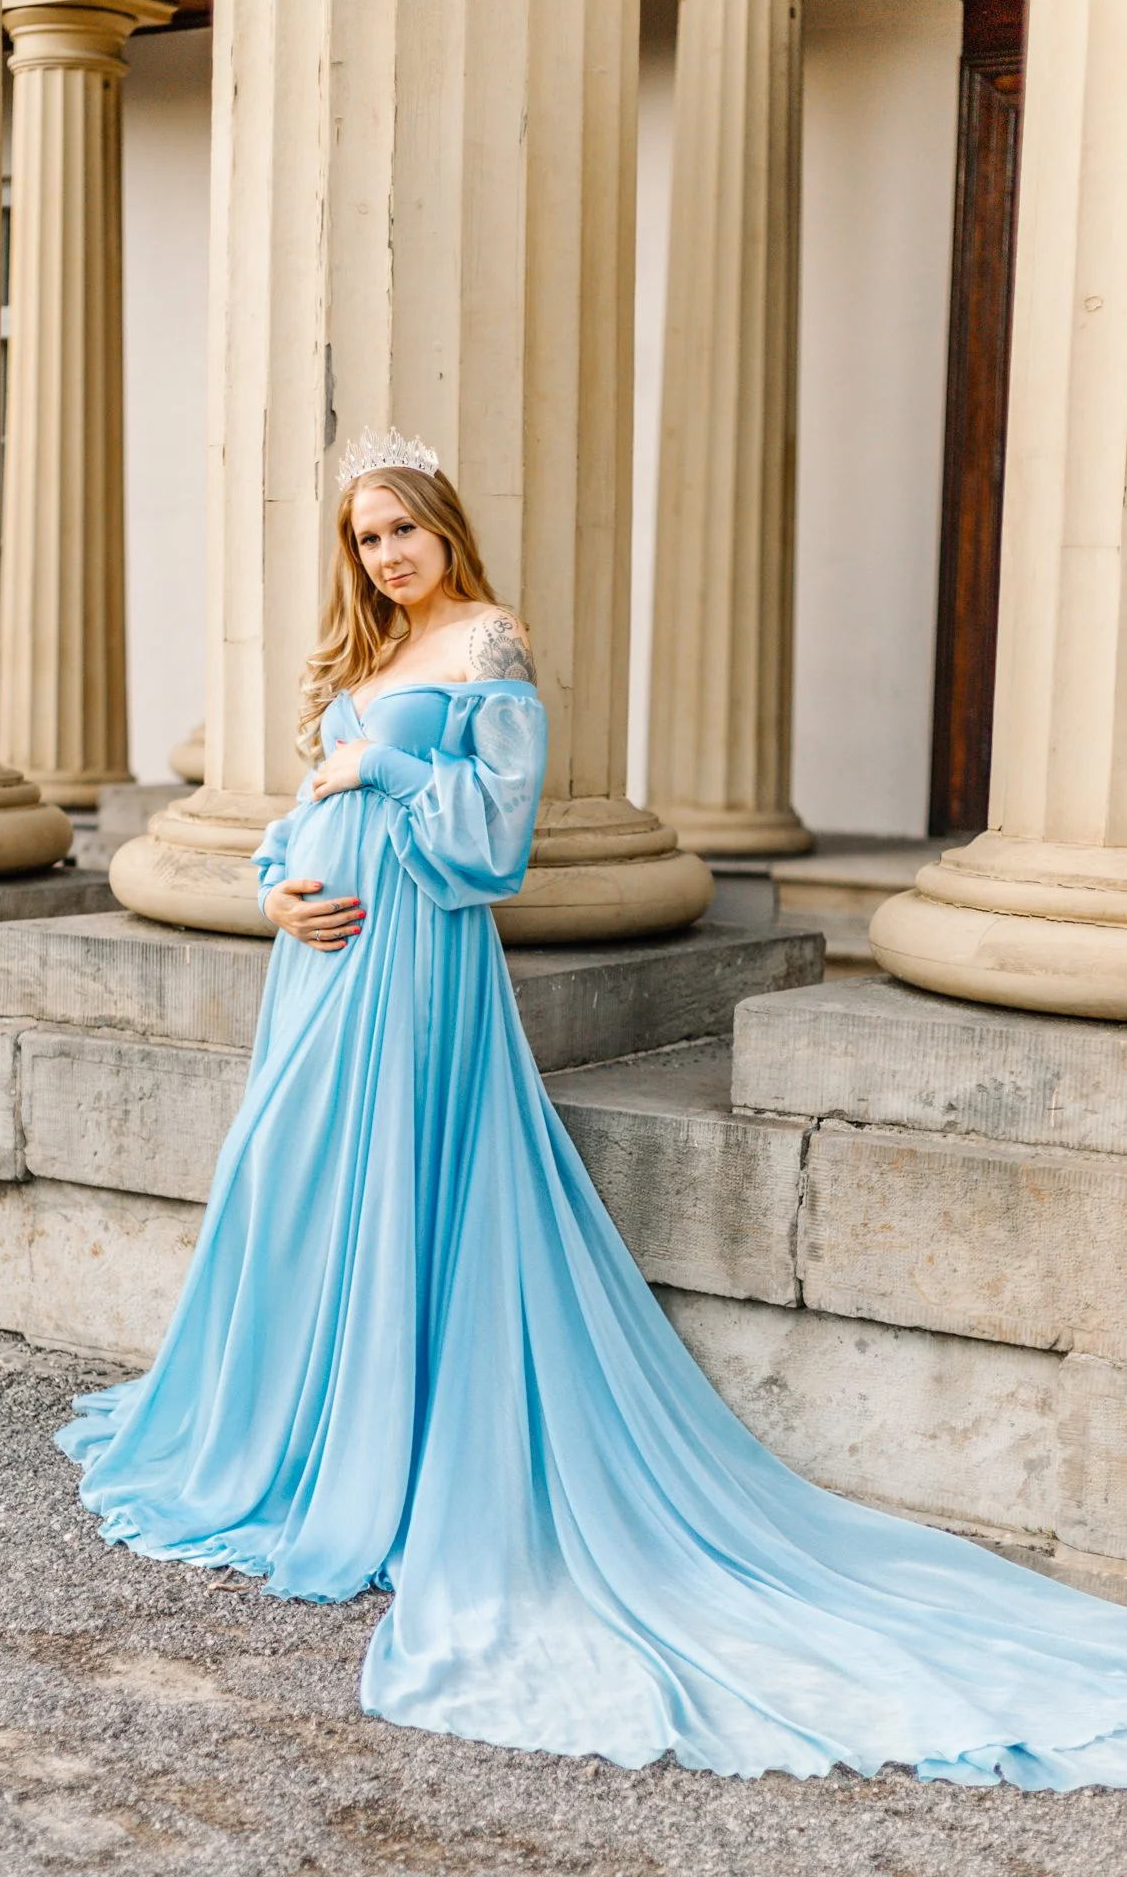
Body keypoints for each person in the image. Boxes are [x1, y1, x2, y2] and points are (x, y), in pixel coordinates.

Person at [58, 430, 1127, 1787]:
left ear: (445, 526)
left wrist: (378, 774)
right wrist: (275, 884)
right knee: (300, 1181)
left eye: (402, 530)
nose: (386, 556)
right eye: (365, 538)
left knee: (398, 1180)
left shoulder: (489, 648)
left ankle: (388, 1447)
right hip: (315, 968)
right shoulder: (371, 657)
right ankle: (295, 1426)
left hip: (412, 965)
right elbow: (294, 819)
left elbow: (490, 847)